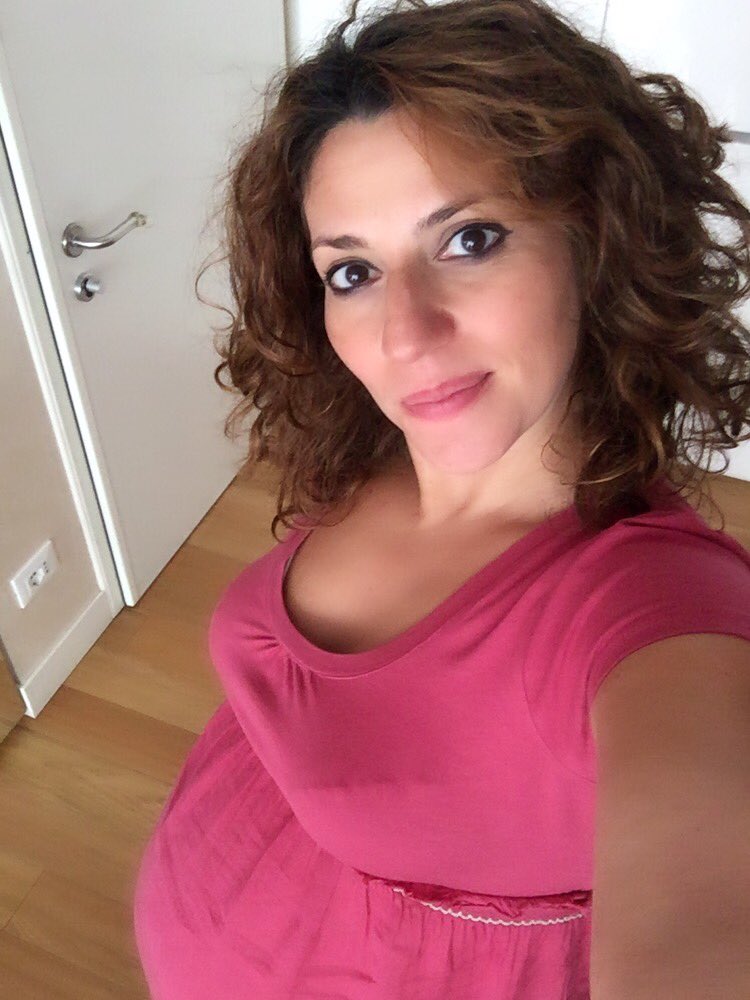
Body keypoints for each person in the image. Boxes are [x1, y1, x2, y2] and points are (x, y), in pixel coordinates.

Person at [133, 1, 750, 996]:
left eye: (470, 239)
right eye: (353, 270)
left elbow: (702, 910)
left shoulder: (656, 608)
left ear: (595, 239)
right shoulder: (378, 451)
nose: (404, 335)